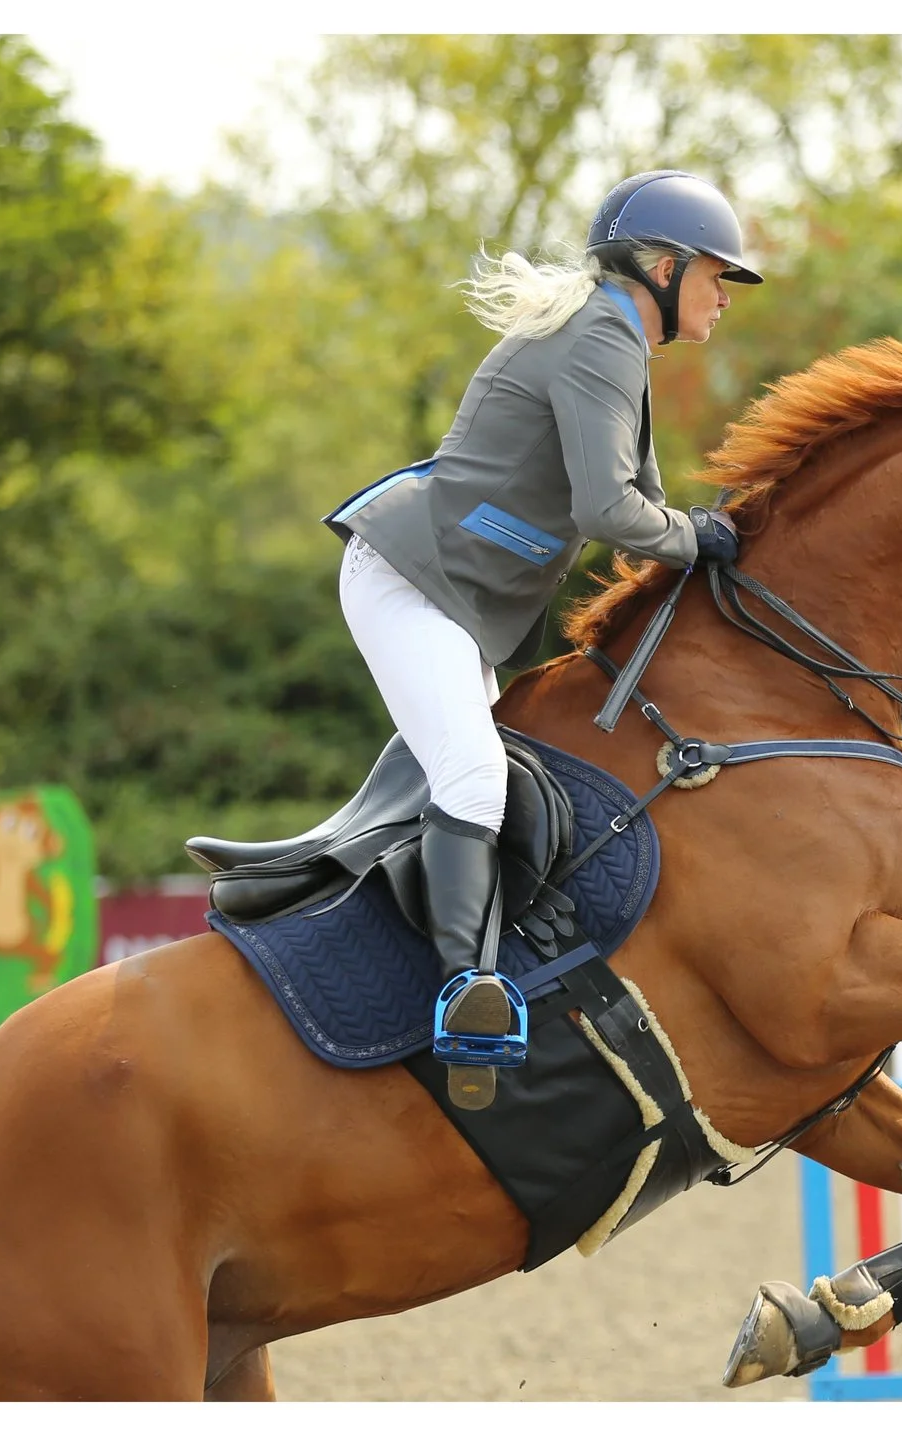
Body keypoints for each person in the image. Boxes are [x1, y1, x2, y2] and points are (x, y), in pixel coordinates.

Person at [322, 170, 760, 1067]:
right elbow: (611, 516)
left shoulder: (614, 337)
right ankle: (463, 996)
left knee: (484, 776)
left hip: (454, 597)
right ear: (666, 268)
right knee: (477, 782)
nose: (724, 295)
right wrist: (701, 538)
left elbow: (645, 509)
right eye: (718, 274)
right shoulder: (603, 335)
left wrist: (704, 540)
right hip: (412, 577)